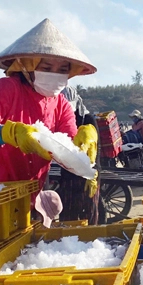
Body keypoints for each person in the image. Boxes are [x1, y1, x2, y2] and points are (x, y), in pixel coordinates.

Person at [0, 18, 98, 209]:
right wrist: (6, 133)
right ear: (27, 66)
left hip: (24, 199)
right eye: (46, 68)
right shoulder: (6, 90)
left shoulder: (61, 105)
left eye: (62, 70)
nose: (55, 74)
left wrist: (84, 154)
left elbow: (67, 151)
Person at [57, 85, 101, 224]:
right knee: (68, 211)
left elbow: (93, 150)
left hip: (88, 172)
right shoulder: (59, 119)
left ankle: (90, 239)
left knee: (89, 211)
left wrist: (91, 172)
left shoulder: (87, 120)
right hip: (68, 172)